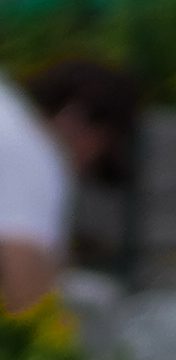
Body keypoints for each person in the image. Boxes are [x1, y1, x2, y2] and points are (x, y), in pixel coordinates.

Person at [0, 55, 137, 320]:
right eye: (97, 156)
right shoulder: (33, 152)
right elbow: (25, 286)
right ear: (75, 116)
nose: (81, 172)